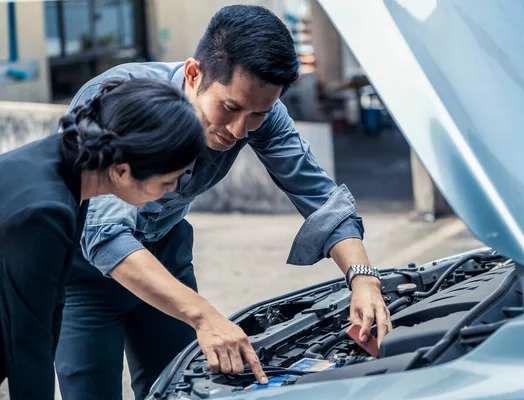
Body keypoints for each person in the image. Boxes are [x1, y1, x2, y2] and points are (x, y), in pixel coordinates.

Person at [55, 5, 393, 400]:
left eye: (257, 114)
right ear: (194, 73)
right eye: (230, 108)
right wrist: (205, 315)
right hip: (82, 270)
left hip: (165, 249)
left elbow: (321, 199)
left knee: (181, 387)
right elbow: (105, 234)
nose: (238, 130)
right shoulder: (117, 99)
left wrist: (364, 277)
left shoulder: (261, 114)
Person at [0, 78, 206, 400]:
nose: (175, 190)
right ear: (122, 171)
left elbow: (48, 310)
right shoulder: (45, 211)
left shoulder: (64, 167)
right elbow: (27, 345)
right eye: (168, 181)